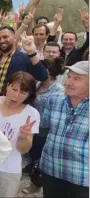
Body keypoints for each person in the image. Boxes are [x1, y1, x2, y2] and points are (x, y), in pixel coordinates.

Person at [0, 72, 40, 197]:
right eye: (14, 89)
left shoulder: (32, 114)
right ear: (7, 86)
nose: (16, 96)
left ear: (29, 95)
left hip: (8, 169)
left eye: (23, 92)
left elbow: (23, 150)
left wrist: (24, 135)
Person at [40, 61, 89, 198]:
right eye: (69, 77)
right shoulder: (54, 99)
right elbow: (44, 130)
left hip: (82, 177)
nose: (68, 82)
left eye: (77, 79)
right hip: (51, 169)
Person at [22, 57, 65, 194]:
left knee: (40, 160)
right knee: (33, 157)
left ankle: (38, 184)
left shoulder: (58, 90)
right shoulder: (37, 84)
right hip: (32, 128)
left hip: (45, 131)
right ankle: (35, 181)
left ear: (50, 72)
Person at [0, 26, 48, 102]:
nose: (2, 40)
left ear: (14, 38)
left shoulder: (25, 59)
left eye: (5, 37)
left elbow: (43, 76)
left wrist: (31, 52)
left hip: (13, 106)